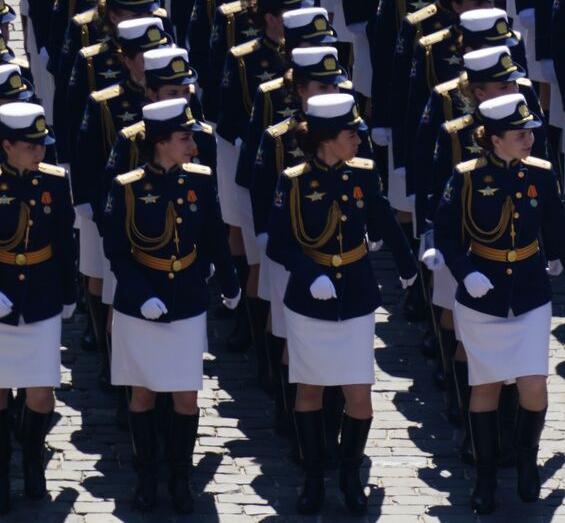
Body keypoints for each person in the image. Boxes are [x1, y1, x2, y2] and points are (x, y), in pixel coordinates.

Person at [432, 92, 565, 513]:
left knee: (532, 384)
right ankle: (484, 477)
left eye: (531, 133)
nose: (530, 141)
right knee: (484, 385)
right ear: (495, 139)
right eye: (520, 135)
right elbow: (444, 233)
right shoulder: (465, 177)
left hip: (530, 291)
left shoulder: (539, 174)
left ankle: (526, 460)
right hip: (483, 296)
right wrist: (466, 272)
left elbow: (558, 228)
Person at [264, 93, 417, 514]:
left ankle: (350, 475)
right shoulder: (293, 181)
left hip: (355, 291)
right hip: (309, 298)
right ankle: (313, 477)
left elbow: (383, 218)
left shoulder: (363, 175)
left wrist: (408, 268)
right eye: (352, 134)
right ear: (329, 139)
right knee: (310, 388)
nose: (358, 143)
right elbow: (278, 242)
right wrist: (309, 273)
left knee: (358, 392)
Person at [100, 98, 241, 513]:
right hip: (139, 302)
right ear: (160, 143)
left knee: (185, 397)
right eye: (184, 138)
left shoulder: (198, 180)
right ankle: (146, 477)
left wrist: (231, 284)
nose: (193, 146)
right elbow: (116, 250)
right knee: (141, 394)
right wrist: (142, 295)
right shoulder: (125, 188)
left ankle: (180, 477)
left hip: (186, 300)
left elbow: (215, 236)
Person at [0, 102, 75, 510]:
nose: (39, 152)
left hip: (41, 296)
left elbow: (64, 240)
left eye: (42, 144)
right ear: (7, 145)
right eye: (30, 146)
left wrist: (69, 292)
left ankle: (32, 457)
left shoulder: (55, 181)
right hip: (2, 295)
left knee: (41, 394)